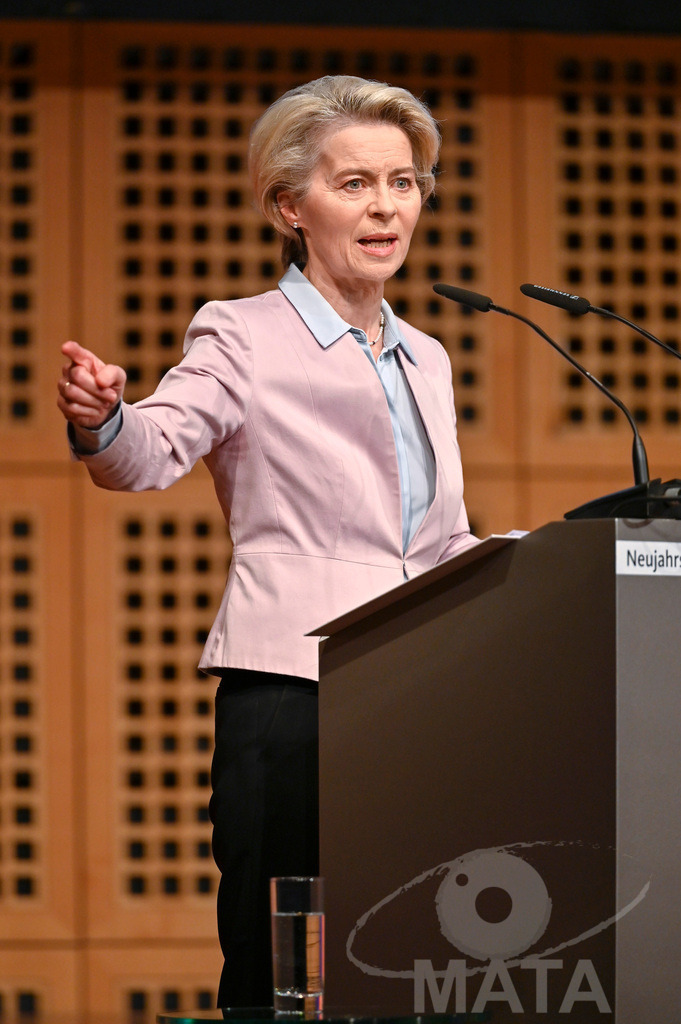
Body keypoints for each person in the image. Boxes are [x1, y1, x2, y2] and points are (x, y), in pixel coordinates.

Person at [56, 75, 477, 1007]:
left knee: (400, 955)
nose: (386, 207)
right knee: (284, 964)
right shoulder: (241, 333)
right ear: (291, 206)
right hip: (296, 692)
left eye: (404, 183)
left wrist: (532, 560)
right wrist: (104, 419)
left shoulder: (429, 358)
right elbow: (148, 453)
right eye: (355, 183)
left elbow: (440, 542)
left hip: (418, 691)